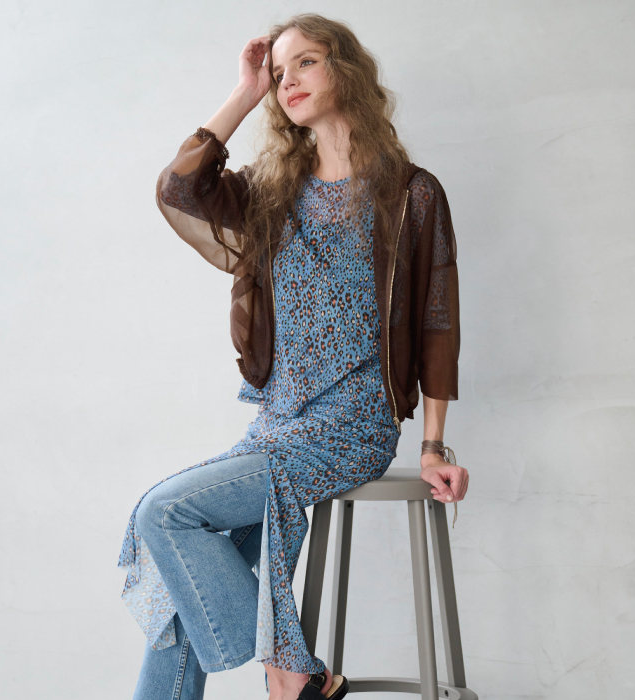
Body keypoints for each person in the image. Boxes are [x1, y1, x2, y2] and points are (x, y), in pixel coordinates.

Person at [117, 13, 469, 700]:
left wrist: (433, 446)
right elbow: (179, 189)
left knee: (165, 513)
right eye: (279, 74)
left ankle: (291, 668)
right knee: (179, 588)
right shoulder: (273, 194)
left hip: (352, 429)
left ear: (346, 68)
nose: (289, 81)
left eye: (306, 62)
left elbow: (437, 322)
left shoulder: (411, 194)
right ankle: (294, 670)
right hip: (276, 425)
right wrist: (244, 92)